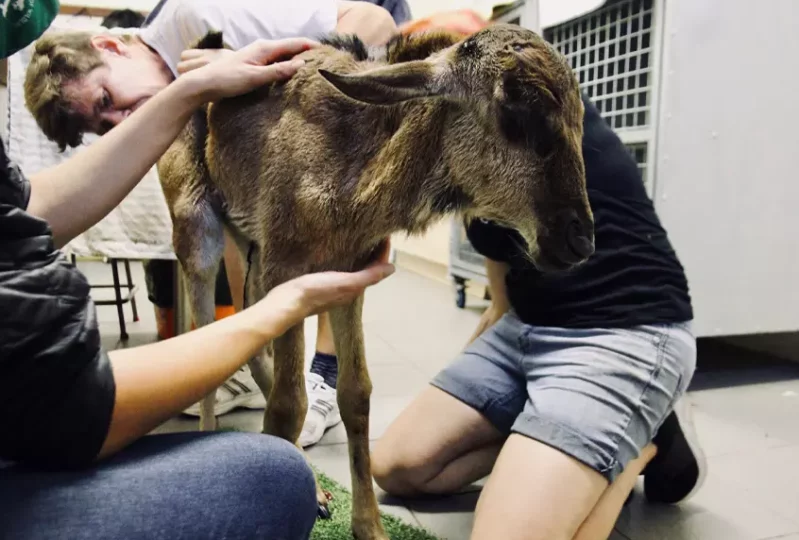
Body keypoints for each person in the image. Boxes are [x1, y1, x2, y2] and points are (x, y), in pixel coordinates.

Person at [0, 1, 395, 538]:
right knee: (231, 276)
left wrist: (308, 81)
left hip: (319, 153)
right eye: (105, 125)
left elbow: (375, 21)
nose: (122, 122)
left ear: (112, 45)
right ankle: (227, 409)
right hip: (250, 171)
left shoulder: (192, 16)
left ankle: (311, 378)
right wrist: (280, 308)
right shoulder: (182, 101)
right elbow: (66, 405)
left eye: (108, 101)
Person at [369, 15, 706, 540]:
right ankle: (552, 440)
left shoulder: (538, 115)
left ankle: (642, 445)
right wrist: (477, 385)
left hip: (624, 331)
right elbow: (501, 301)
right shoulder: (464, 153)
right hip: (527, 329)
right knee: (396, 466)